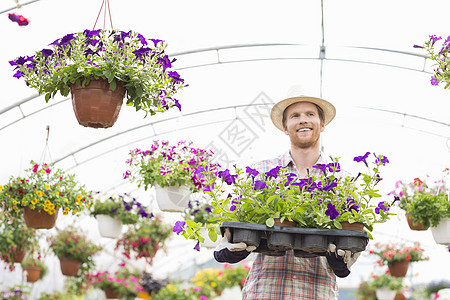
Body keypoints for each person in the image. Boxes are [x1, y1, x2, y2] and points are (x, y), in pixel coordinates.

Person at [214, 88, 361, 299]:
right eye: (295, 116)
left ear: (322, 124)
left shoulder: (340, 180)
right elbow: (233, 229)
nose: (303, 120)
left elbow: (351, 243)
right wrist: (228, 249)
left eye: (310, 114)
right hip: (265, 290)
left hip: (316, 291)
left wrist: (342, 263)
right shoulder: (262, 172)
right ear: (285, 127)